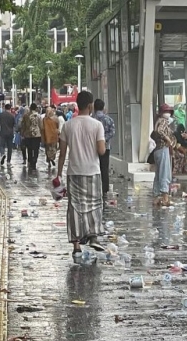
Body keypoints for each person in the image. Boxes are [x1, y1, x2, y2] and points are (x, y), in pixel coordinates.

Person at [57, 91, 106, 258]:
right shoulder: (97, 125)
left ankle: (76, 245)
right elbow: (101, 150)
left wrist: (58, 174)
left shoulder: (68, 125)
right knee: (94, 205)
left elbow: (62, 153)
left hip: (74, 172)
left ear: (77, 105)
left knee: (75, 208)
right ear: (91, 105)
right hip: (92, 171)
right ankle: (93, 236)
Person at [151, 104, 175, 207]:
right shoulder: (164, 121)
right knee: (165, 173)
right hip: (163, 149)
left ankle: (156, 197)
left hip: (157, 150)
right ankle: (165, 197)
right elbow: (160, 131)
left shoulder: (158, 121)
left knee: (158, 174)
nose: (168, 114)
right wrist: (168, 139)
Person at [92, 99, 116, 195]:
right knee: (104, 168)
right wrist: (104, 140)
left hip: (93, 147)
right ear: (103, 107)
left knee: (94, 168)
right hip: (106, 147)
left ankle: (95, 187)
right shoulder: (109, 119)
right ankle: (104, 189)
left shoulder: (92, 119)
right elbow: (112, 132)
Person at [21, 103, 43, 169]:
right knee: (36, 149)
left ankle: (30, 161)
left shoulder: (25, 116)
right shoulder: (39, 116)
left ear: (30, 108)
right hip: (37, 135)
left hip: (28, 135)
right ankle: (34, 161)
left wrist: (22, 133)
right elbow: (41, 126)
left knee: (29, 149)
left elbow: (23, 125)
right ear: (36, 108)